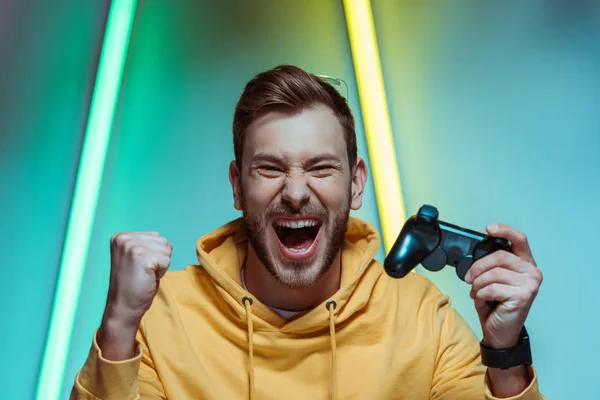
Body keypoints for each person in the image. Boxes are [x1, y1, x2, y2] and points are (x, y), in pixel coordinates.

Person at [71, 65, 544, 399]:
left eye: (320, 167)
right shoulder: (161, 317)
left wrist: (506, 353)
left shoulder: (424, 320)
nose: (295, 192)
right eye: (270, 168)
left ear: (355, 183)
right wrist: (117, 327)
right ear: (237, 186)